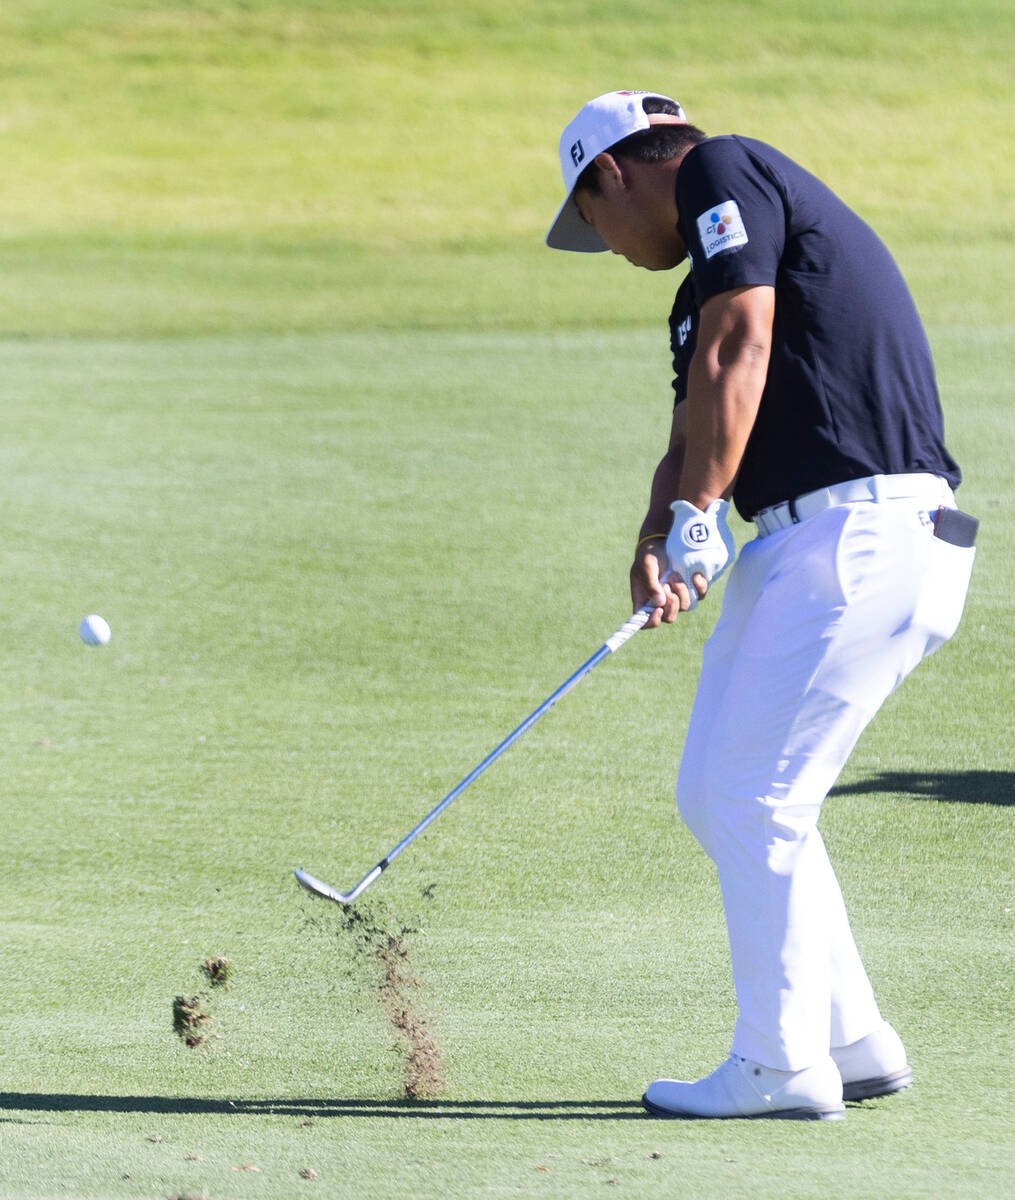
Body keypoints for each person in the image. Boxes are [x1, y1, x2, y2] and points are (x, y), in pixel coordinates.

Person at [546, 90, 977, 1120]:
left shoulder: (723, 169)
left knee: (755, 797)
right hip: (802, 543)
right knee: (720, 791)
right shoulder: (697, 288)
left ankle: (780, 1067)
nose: (604, 246)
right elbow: (699, 406)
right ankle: (851, 1039)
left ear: (613, 172)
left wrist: (701, 512)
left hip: (863, 530)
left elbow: (745, 335)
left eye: (591, 221)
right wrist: (662, 531)